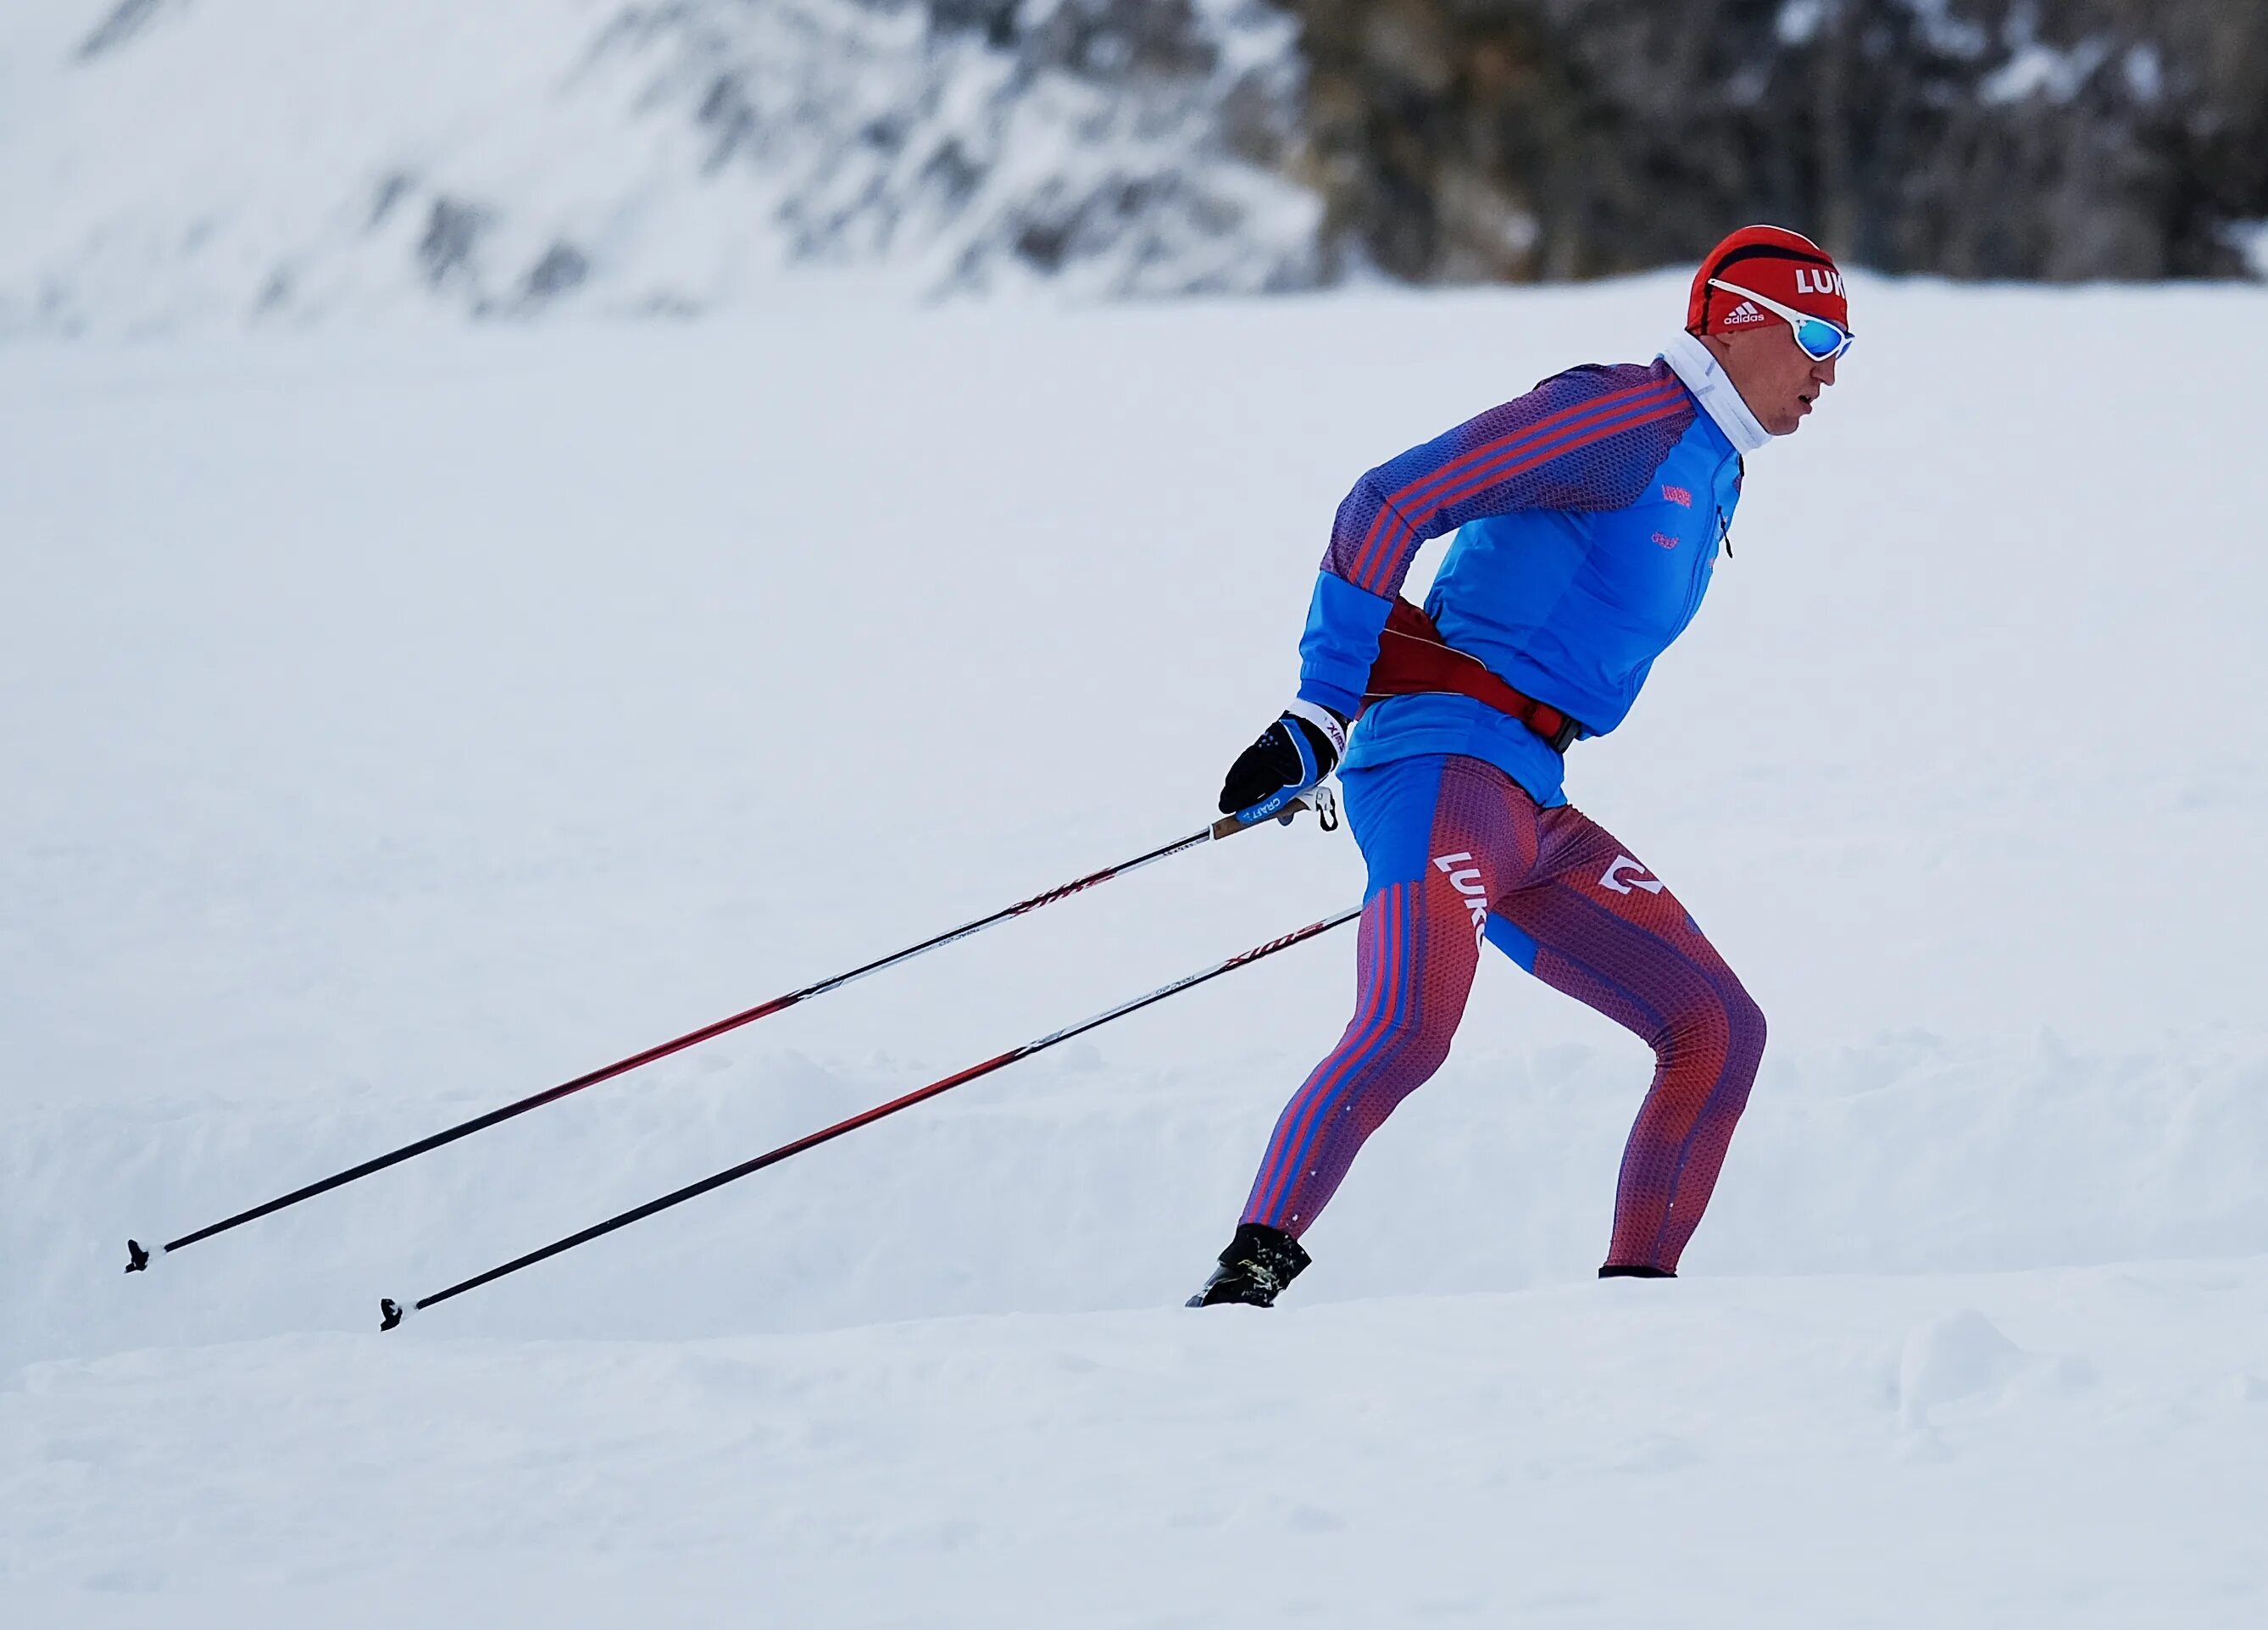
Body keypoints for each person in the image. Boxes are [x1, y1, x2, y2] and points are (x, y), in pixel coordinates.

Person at [1188, 225, 1852, 1308]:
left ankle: (1635, 1318)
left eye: (1846, 344)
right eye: (1814, 335)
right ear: (1734, 328)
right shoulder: (1628, 419)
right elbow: (1389, 500)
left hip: (1528, 800)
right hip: (1439, 765)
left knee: (1719, 1033)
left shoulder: (1715, 462)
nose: (1829, 369)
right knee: (1409, 1026)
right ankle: (1241, 1287)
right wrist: (1318, 707)